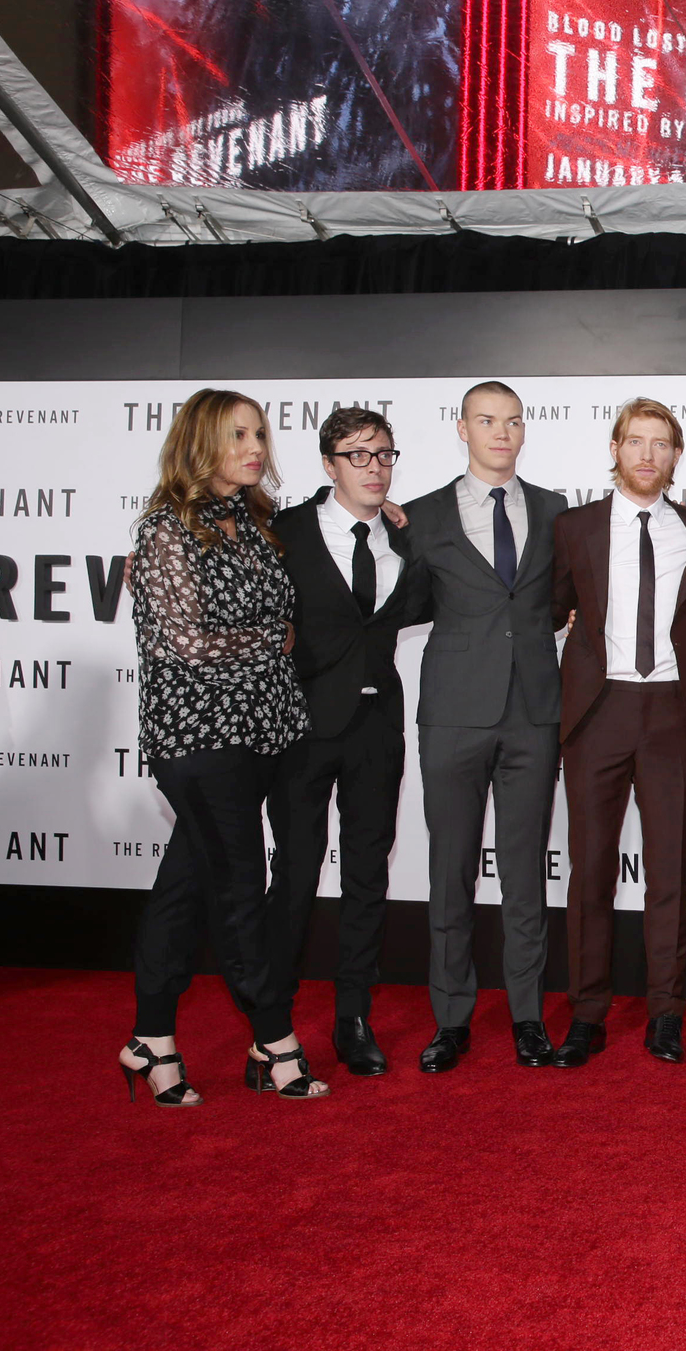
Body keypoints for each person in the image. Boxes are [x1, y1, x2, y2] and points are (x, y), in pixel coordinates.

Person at [121, 387, 325, 1105]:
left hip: (262, 732)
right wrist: (272, 639)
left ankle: (151, 1037)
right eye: (239, 435)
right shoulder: (165, 531)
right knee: (241, 887)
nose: (256, 449)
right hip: (198, 737)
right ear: (201, 442)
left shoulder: (253, 520)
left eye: (260, 435)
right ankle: (275, 1039)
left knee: (184, 885)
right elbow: (188, 642)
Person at [548, 399, 686, 1068]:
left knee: (670, 869)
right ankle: (587, 1013)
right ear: (615, 448)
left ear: (676, 455)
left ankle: (665, 1012)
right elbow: (550, 604)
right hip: (598, 711)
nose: (648, 454)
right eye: (636, 441)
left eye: (661, 443)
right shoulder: (573, 527)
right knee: (588, 870)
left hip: (672, 714)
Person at [405, 381, 568, 1073]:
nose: (501, 432)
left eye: (512, 421)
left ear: (524, 430)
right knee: (451, 870)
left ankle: (527, 1016)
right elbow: (387, 598)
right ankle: (451, 1018)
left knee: (526, 872)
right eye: (486, 420)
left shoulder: (558, 511)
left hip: (533, 711)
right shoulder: (417, 515)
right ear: (462, 428)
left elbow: (579, 593)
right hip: (453, 713)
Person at [263, 407, 429, 1077]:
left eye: (385, 453)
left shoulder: (405, 538)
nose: (375, 467)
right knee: (296, 874)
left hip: (375, 727)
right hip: (302, 728)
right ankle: (268, 1023)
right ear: (329, 464)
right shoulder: (285, 533)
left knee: (366, 874)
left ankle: (353, 1017)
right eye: (359, 455)